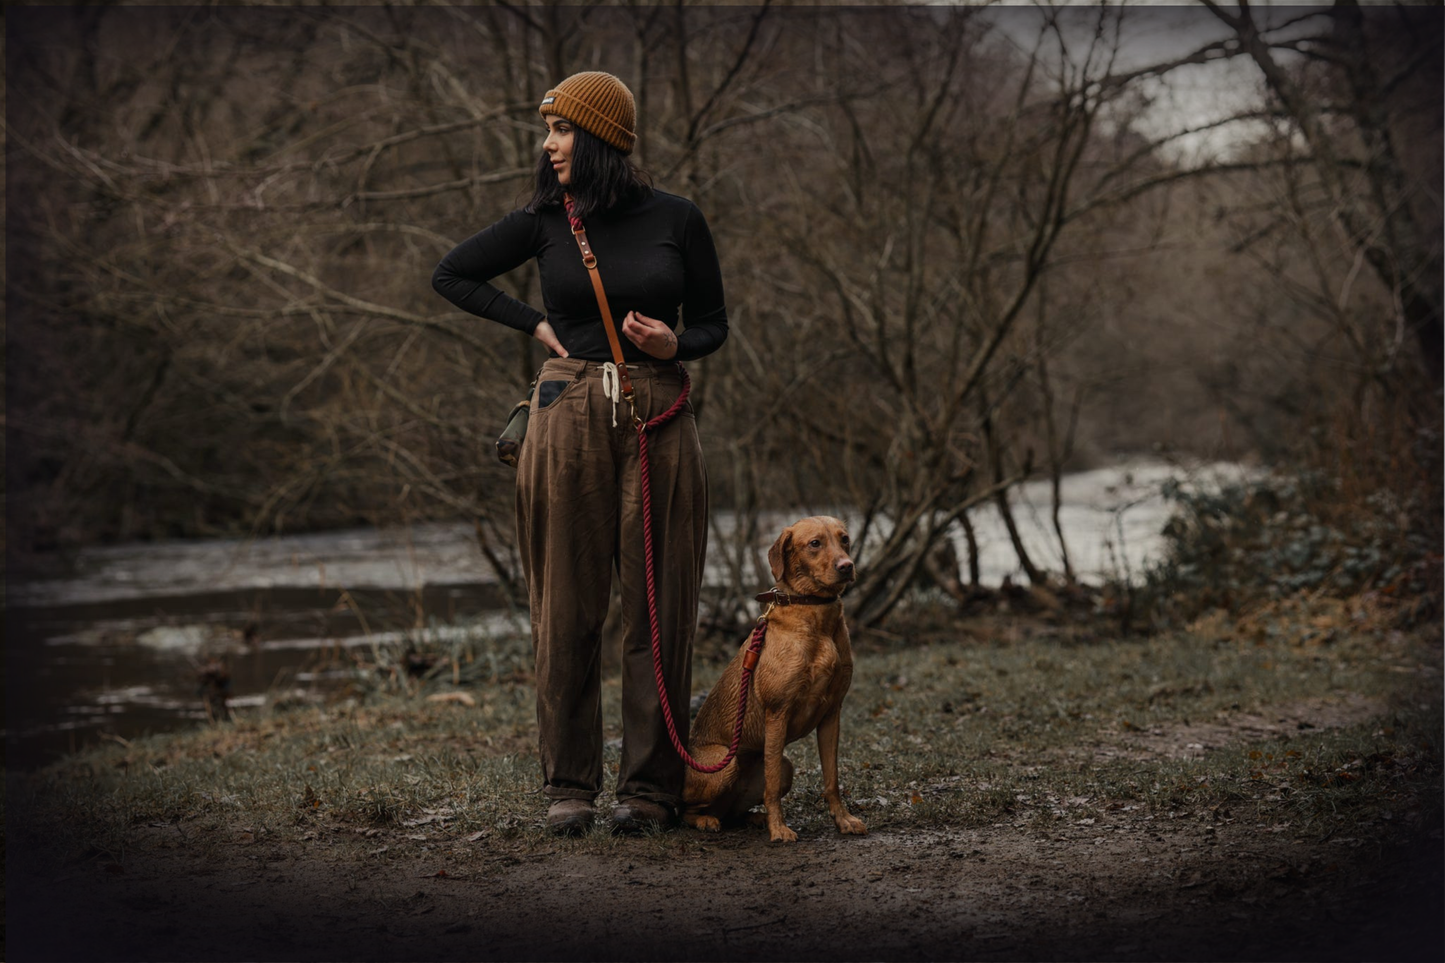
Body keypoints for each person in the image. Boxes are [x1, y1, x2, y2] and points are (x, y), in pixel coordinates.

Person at [431, 71, 727, 836]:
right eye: (548, 130)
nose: (548, 143)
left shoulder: (678, 218)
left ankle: (649, 789)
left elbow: (713, 323)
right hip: (565, 417)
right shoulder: (542, 219)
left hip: (659, 410)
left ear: (599, 138)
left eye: (561, 130)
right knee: (566, 606)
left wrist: (674, 340)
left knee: (657, 611)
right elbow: (452, 272)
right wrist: (532, 323)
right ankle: (569, 786)